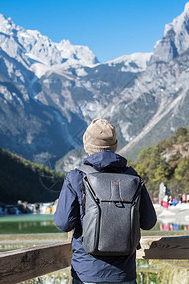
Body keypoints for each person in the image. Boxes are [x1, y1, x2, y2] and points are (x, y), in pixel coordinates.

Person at [54, 118, 157, 284]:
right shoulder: (132, 177)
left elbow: (63, 223)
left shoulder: (76, 176)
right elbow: (149, 222)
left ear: (87, 145)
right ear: (114, 145)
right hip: (125, 274)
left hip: (87, 273)